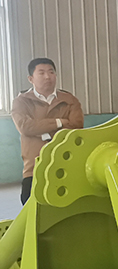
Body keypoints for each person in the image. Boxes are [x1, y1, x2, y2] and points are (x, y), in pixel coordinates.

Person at [11, 58, 84, 204]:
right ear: (31, 78)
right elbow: (25, 127)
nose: (47, 77)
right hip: (34, 166)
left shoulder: (70, 100)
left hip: (65, 164)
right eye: (41, 73)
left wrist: (42, 131)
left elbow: (76, 126)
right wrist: (59, 122)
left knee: (67, 206)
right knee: (30, 205)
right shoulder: (22, 101)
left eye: (51, 72)